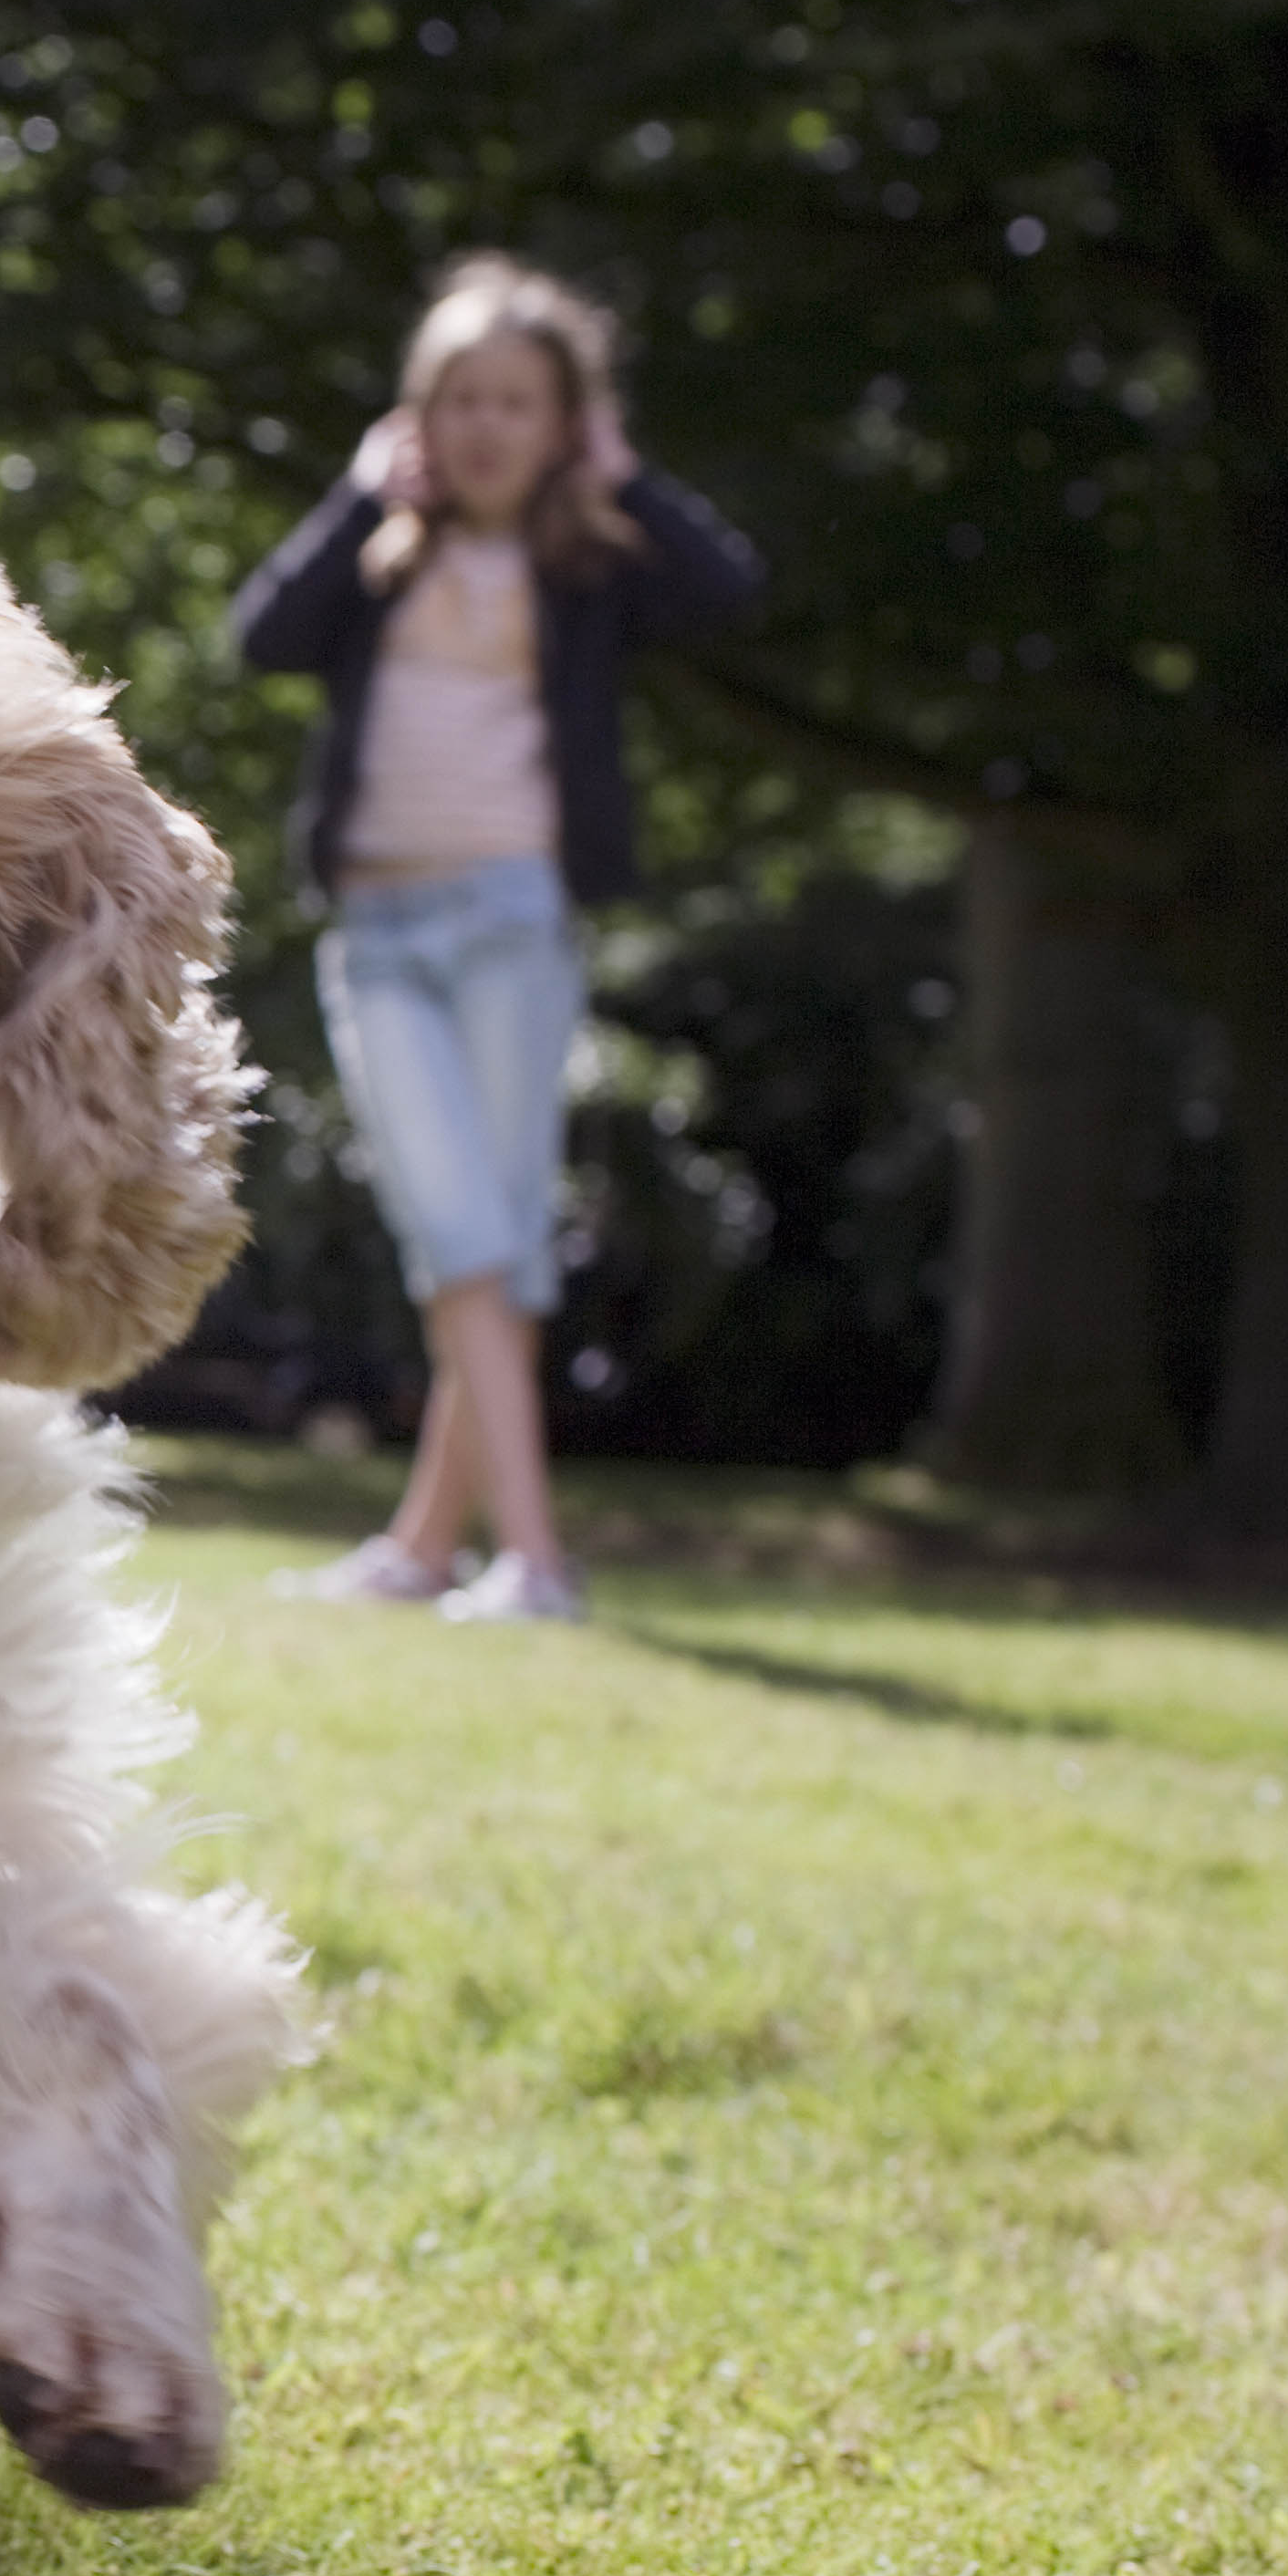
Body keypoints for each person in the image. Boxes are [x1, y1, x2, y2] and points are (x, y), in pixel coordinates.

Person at [234, 256, 762, 1618]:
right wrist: (358, 493)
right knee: (463, 1230)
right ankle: (512, 1556)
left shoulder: (584, 565)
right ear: (421, 415)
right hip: (380, 928)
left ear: (560, 422)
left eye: (517, 402)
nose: (484, 426)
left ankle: (474, 1552)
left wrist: (622, 474)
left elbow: (726, 590)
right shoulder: (377, 556)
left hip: (512, 922)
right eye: (459, 398)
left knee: (498, 1238)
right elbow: (259, 635)